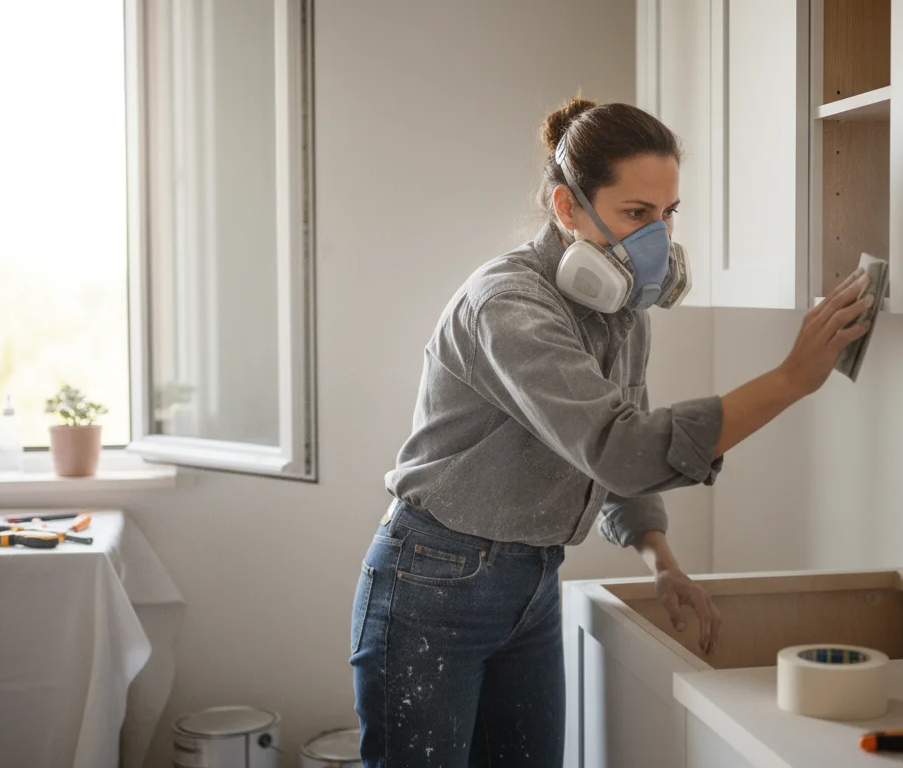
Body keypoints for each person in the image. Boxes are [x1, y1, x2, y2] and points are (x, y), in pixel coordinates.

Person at [349, 97, 873, 767]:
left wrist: (661, 558)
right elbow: (621, 451)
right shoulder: (507, 304)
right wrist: (790, 380)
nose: (657, 238)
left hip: (534, 581)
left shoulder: (621, 310)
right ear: (567, 209)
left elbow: (617, 444)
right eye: (635, 214)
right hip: (435, 581)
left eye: (667, 214)